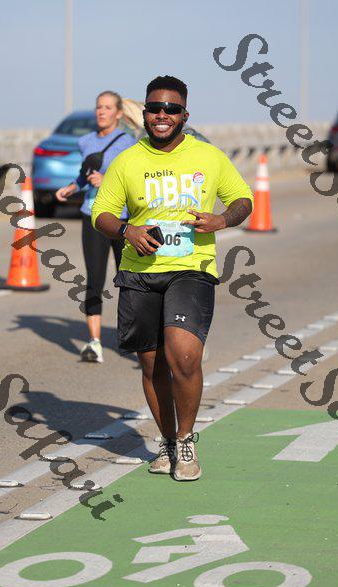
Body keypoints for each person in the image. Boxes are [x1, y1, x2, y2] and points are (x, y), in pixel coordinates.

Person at [92, 76, 253, 480]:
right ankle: (165, 441)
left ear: (184, 115)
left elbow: (243, 199)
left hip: (191, 267)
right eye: (154, 108)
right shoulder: (128, 161)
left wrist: (221, 219)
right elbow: (101, 213)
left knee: (183, 355)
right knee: (152, 366)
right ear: (144, 113)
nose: (162, 115)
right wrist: (126, 230)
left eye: (171, 109)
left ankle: (185, 440)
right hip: (140, 272)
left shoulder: (208, 156)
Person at [55, 91, 136, 363]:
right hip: (93, 215)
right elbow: (85, 174)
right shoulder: (86, 141)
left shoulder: (128, 143)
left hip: (122, 219)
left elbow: (134, 179)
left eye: (108, 107)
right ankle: (94, 342)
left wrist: (108, 179)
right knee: (94, 279)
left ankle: (135, 338)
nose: (101, 111)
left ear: (119, 113)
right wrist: (72, 187)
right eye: (99, 107)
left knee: (129, 280)